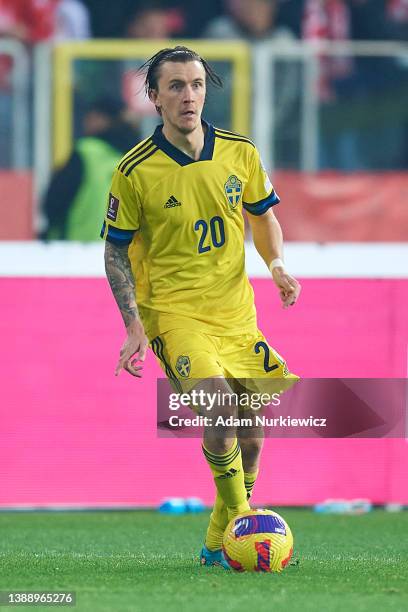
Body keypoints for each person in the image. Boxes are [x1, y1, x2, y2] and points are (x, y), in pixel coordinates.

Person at [101, 46, 301, 568]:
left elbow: (263, 216)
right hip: (172, 313)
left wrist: (277, 264)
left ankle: (218, 541)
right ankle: (248, 529)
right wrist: (133, 325)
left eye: (195, 84)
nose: (188, 95)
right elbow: (115, 250)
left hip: (235, 312)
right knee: (218, 405)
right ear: (154, 97)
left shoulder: (240, 152)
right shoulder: (134, 170)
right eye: (175, 86)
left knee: (252, 437)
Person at [43, 97, 140, 240]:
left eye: (90, 117)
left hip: (77, 251)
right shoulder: (140, 159)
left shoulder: (86, 153)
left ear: (101, 119)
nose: (85, 122)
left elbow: (53, 204)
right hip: (122, 255)